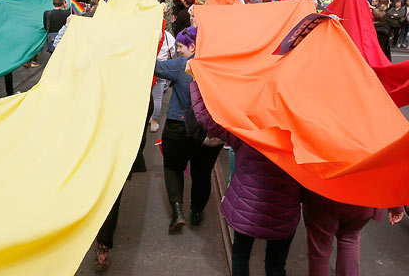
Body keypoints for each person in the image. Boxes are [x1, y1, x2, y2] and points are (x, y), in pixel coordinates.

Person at [191, 80, 301, 276]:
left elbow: (207, 119)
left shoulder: (248, 132)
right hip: (285, 213)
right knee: (276, 265)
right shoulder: (300, 137)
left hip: (246, 211)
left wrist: (197, 80)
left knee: (240, 255)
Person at [154, 26, 222, 233]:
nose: (179, 51)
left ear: (193, 46)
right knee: (202, 173)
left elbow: (153, 66)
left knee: (173, 168)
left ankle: (177, 211)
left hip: (178, 126)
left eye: (182, 47)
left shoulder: (183, 65)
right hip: (209, 132)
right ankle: (197, 212)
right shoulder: (220, 67)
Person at [303, 191, 403, 276]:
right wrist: (397, 205)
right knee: (350, 240)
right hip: (362, 199)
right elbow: (392, 169)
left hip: (323, 196)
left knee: (320, 251)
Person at [150, 27, 176, 133]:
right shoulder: (168, 36)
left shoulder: (147, 32)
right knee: (157, 97)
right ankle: (154, 121)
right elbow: (172, 52)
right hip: (162, 68)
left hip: (147, 67)